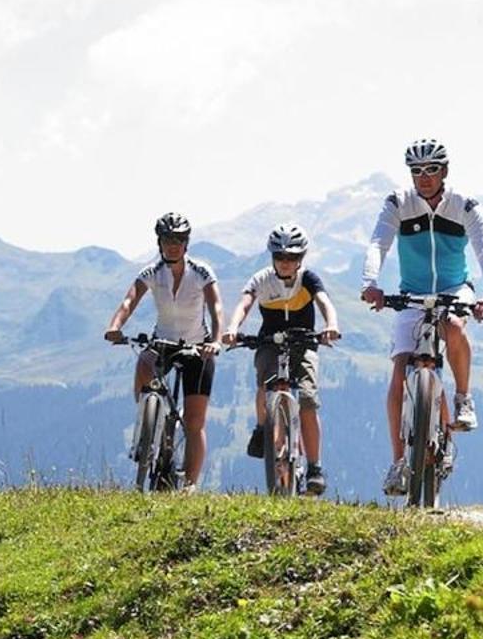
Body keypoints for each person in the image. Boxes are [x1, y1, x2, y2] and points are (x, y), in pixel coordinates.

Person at [360, 138, 483, 496]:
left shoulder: (464, 206)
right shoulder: (399, 204)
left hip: (455, 289)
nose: (423, 177)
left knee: (453, 325)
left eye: (431, 170)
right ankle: (397, 464)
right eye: (416, 171)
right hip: (411, 293)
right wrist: (371, 283)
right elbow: (379, 243)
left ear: (445, 171)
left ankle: (463, 398)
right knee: (398, 374)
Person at [103, 212, 223, 491]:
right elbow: (128, 301)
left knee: (194, 422)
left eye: (179, 240)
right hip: (163, 343)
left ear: (187, 242)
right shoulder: (152, 273)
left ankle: (190, 486)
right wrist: (115, 326)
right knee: (144, 363)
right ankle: (147, 420)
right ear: (159, 242)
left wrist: (216, 341)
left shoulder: (202, 272)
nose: (173, 245)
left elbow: (216, 307)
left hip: (197, 348)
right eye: (168, 239)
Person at [223, 225, 342, 496]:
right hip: (270, 342)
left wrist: (331, 323)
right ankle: (262, 426)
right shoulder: (262, 279)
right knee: (265, 386)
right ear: (272, 258)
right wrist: (232, 328)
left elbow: (324, 302)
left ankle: (314, 468)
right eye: (280, 257)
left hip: (304, 342)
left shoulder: (308, 279)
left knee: (308, 401)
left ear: (301, 258)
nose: (286, 263)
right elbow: (244, 304)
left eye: (292, 257)